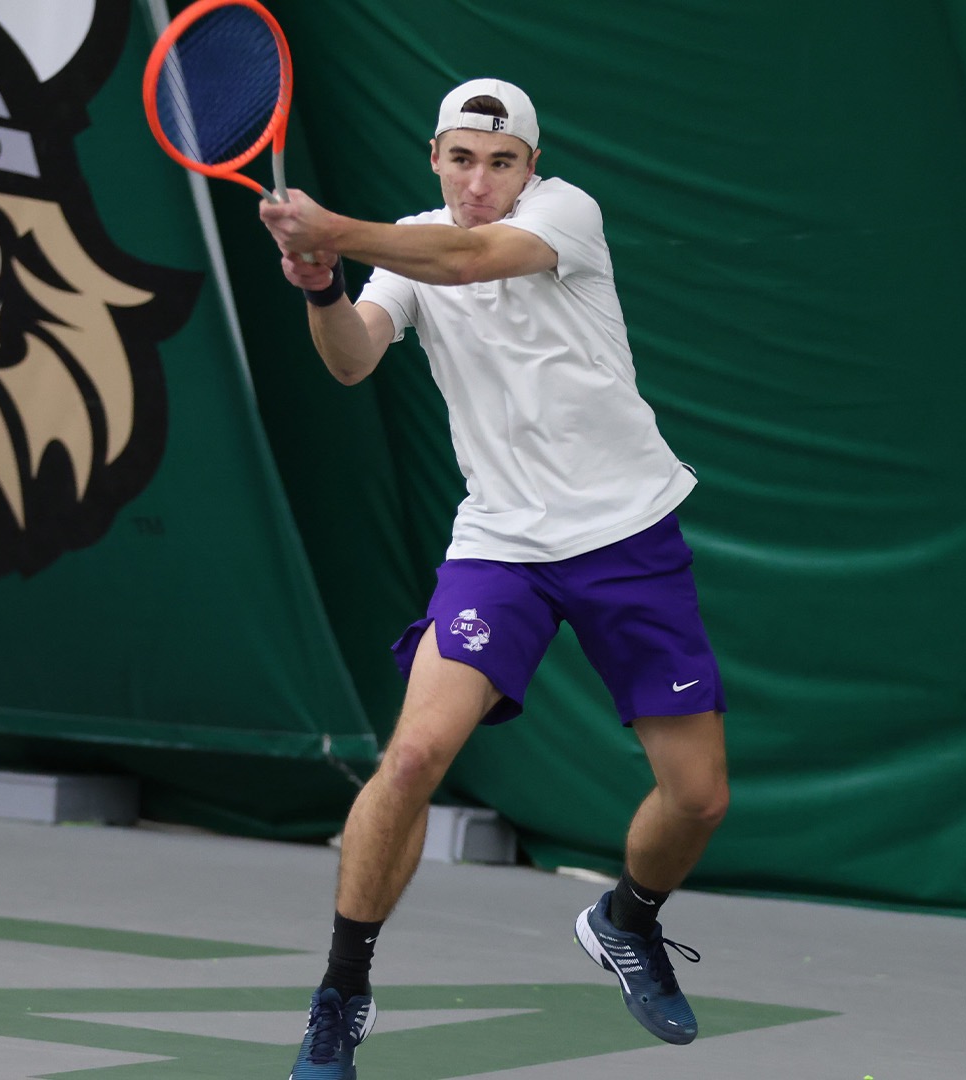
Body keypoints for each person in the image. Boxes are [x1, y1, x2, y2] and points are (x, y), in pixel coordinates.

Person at [259, 78, 730, 1079]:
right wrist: (321, 286)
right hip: (500, 544)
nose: (479, 181)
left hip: (628, 535)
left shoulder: (566, 218)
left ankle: (625, 919)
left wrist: (334, 229)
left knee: (696, 800)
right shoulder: (404, 244)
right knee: (417, 753)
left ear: (531, 165)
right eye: (461, 159)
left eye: (501, 161)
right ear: (435, 157)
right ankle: (341, 990)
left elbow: (473, 260)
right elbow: (352, 360)